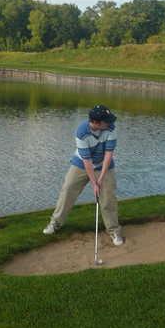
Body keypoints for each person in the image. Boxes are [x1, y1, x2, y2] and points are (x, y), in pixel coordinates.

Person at [43, 104, 124, 246]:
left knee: (108, 197)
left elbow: (108, 155)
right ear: (97, 123)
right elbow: (87, 161)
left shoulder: (111, 129)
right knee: (68, 189)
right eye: (107, 120)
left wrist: (100, 178)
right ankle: (55, 223)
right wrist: (94, 183)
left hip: (104, 165)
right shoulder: (81, 132)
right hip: (81, 164)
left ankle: (114, 231)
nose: (110, 122)